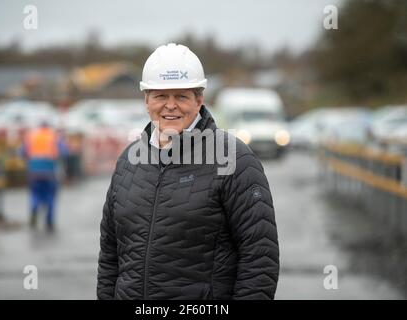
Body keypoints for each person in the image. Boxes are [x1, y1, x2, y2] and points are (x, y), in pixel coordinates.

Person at [97, 43, 279, 300]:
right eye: (161, 96)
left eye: (181, 96)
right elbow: (109, 255)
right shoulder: (128, 161)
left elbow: (260, 259)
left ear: (199, 100)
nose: (170, 106)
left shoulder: (235, 159)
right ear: (147, 100)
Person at [21, 120, 67, 231]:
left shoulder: (32, 136)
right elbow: (64, 151)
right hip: (49, 172)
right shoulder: (54, 136)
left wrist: (30, 161)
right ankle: (49, 222)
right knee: (50, 197)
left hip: (34, 172)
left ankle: (34, 210)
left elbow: (22, 152)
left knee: (35, 194)